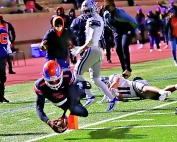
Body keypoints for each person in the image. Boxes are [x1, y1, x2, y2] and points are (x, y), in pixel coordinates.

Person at [71, 0, 118, 111]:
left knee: (76, 73)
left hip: (92, 49)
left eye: (88, 10)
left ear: (93, 9)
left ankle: (89, 96)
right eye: (85, 11)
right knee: (96, 78)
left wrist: (80, 49)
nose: (86, 13)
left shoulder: (92, 20)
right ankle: (112, 99)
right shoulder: (99, 18)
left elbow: (92, 40)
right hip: (99, 50)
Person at [34, 60, 91, 133]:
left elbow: (72, 99)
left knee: (81, 93)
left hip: (69, 94)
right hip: (59, 101)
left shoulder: (67, 75)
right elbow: (39, 108)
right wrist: (49, 122)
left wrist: (65, 116)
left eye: (56, 80)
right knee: (84, 113)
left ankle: (80, 85)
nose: (54, 83)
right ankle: (79, 86)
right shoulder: (40, 86)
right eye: (51, 81)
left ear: (61, 74)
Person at [103, 0, 139, 79]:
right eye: (109, 6)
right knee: (118, 49)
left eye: (112, 6)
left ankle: (128, 68)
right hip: (117, 32)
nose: (111, 7)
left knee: (124, 46)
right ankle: (124, 70)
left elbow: (133, 21)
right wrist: (114, 31)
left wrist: (136, 32)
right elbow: (107, 24)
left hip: (127, 30)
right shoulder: (106, 15)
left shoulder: (120, 13)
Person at [100, 74, 172, 102]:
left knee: (145, 88)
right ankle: (174, 87)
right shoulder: (111, 92)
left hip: (134, 85)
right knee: (157, 97)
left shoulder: (112, 78)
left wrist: (110, 90)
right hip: (137, 94)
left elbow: (116, 81)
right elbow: (121, 98)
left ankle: (161, 92)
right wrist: (115, 93)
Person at [0, 26, 11, 103]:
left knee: (1, 78)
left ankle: (1, 97)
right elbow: (8, 44)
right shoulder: (4, 31)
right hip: (2, 56)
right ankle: (1, 96)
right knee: (1, 78)